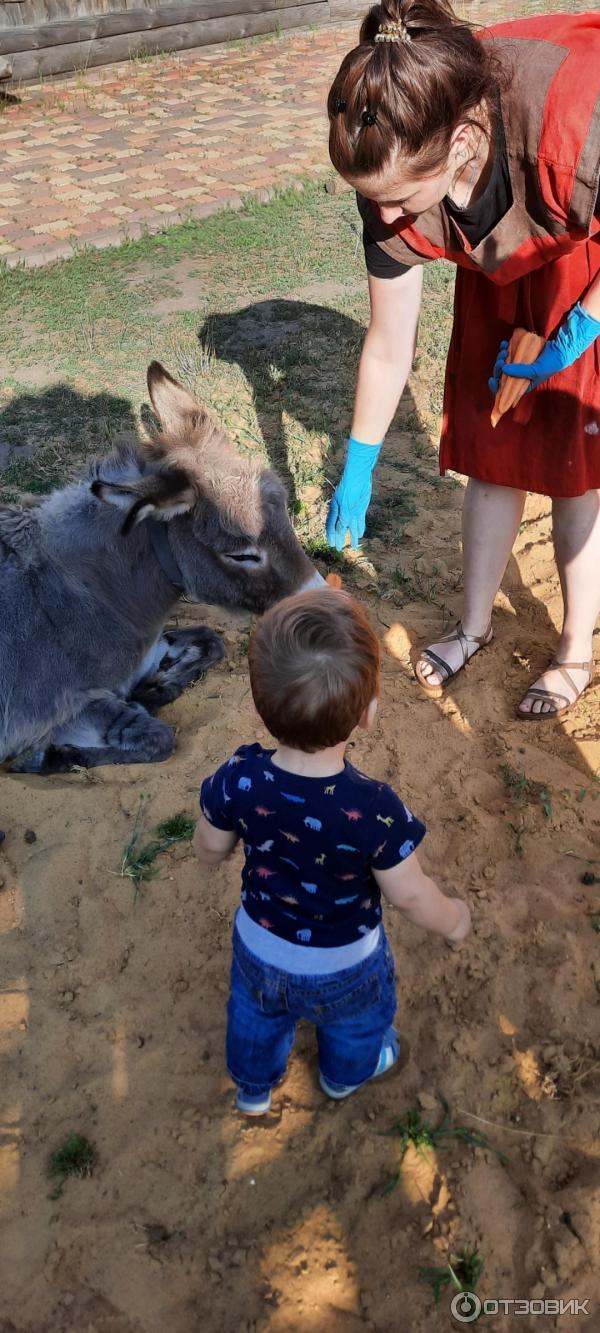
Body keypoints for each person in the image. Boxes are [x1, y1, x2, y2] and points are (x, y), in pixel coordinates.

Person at [325, 2, 600, 720]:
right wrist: (360, 460)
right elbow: (389, 342)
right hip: (497, 260)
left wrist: (577, 332)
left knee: (574, 463)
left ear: (461, 145)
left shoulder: (573, 126)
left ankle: (574, 649)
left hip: (583, 237)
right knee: (492, 445)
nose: (383, 219)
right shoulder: (392, 173)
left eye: (397, 200)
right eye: (371, 201)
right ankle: (474, 626)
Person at [193, 588, 471, 1115]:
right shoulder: (374, 809)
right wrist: (454, 919)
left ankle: (253, 1090)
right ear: (367, 714)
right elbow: (411, 896)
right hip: (344, 963)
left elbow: (210, 841)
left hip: (258, 944)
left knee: (255, 1019)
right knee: (357, 1024)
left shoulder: (241, 777)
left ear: (261, 703)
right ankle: (344, 1078)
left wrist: (210, 856)